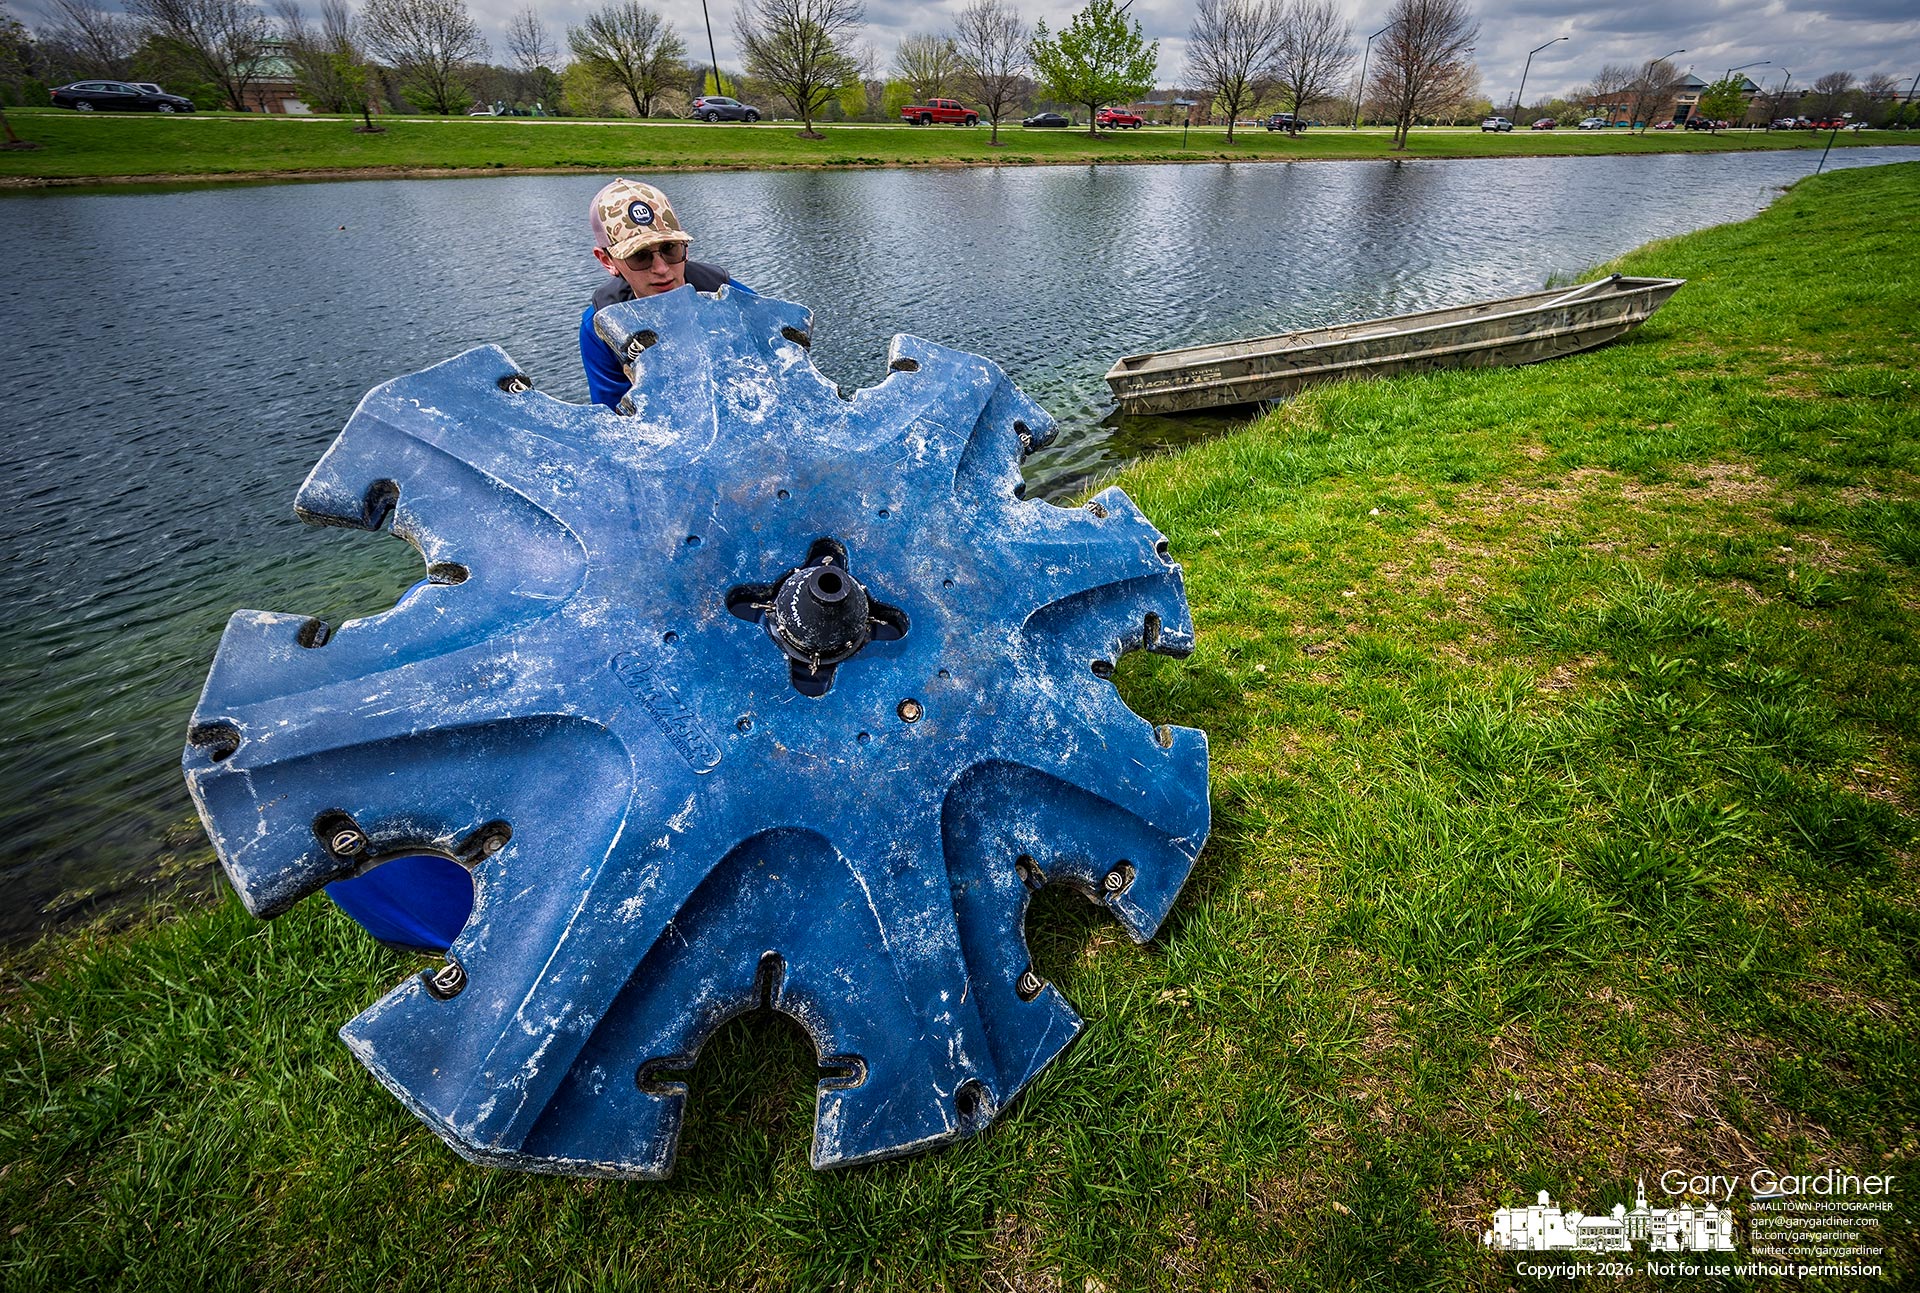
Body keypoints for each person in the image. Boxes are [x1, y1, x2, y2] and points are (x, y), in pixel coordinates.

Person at [579, 178, 747, 409]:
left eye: (670, 249)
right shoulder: (600, 328)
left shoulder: (725, 292)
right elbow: (615, 416)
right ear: (607, 260)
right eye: (639, 256)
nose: (661, 269)